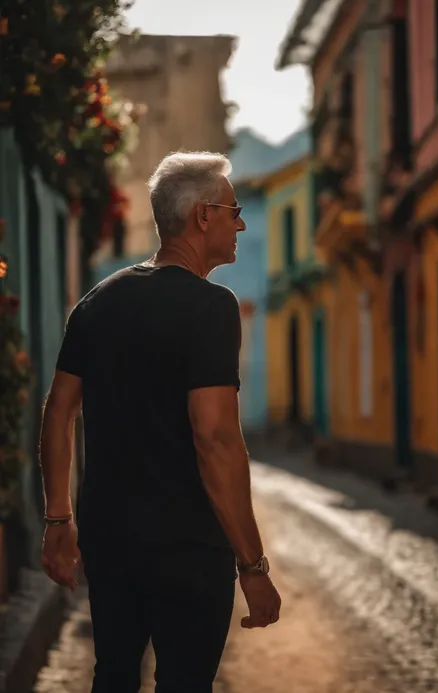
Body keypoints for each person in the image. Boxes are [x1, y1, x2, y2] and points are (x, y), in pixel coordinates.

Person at [40, 151, 281, 693]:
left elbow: (59, 410)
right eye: (232, 210)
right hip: (188, 547)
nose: (239, 222)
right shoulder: (212, 307)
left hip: (110, 540)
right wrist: (253, 565)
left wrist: (59, 520)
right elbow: (214, 438)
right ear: (201, 216)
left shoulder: (96, 303)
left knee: (115, 676)